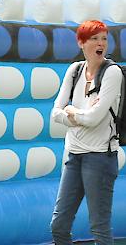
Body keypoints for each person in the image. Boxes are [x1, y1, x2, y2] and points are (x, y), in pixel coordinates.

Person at [50, 20, 123, 245]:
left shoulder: (112, 73)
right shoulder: (75, 70)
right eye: (94, 38)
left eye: (104, 38)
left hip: (101, 157)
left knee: (99, 227)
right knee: (59, 225)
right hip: (74, 155)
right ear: (81, 42)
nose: (101, 43)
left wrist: (71, 112)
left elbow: (94, 119)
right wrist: (73, 114)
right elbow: (55, 113)